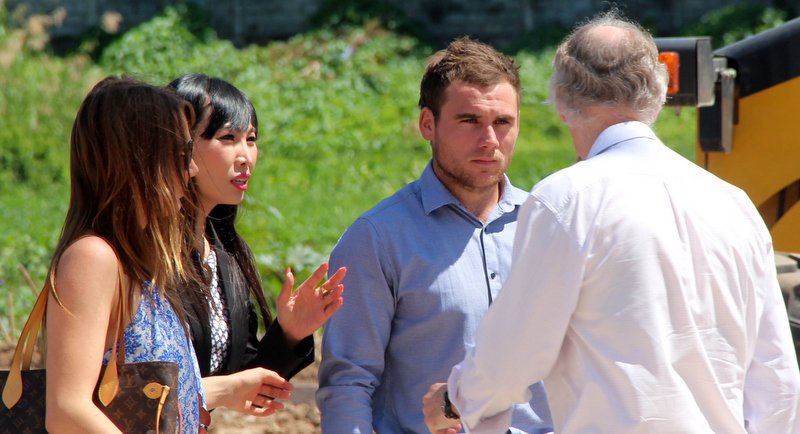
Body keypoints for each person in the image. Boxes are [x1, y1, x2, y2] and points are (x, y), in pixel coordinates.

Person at [422, 11, 800, 434]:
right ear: (658, 92)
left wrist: (455, 401)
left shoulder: (568, 201)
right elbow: (777, 378)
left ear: (562, 101)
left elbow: (513, 355)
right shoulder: (735, 204)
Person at [316, 37, 552, 433]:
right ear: (428, 124)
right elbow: (349, 381)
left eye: (502, 122)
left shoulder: (548, 226)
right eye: (469, 121)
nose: (490, 140)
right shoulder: (377, 239)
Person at [167, 74, 346, 411]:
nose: (245, 156)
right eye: (227, 137)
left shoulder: (224, 259)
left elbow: (240, 383)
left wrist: (290, 333)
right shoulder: (141, 256)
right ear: (181, 144)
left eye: (251, 139)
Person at [44, 76, 207, 433]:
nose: (192, 170)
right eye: (182, 155)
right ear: (137, 163)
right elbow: (66, 409)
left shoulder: (136, 265)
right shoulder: (92, 258)